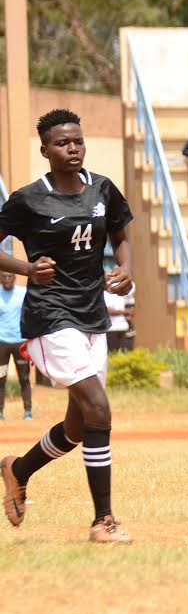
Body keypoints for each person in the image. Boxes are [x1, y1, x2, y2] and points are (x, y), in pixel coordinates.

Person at [0, 108, 135, 544]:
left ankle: (17, 470)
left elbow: (121, 234)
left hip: (92, 314)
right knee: (99, 408)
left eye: (77, 140)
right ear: (45, 150)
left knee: (79, 428)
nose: (72, 148)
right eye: (62, 143)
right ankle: (104, 522)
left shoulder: (102, 189)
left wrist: (126, 268)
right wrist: (25, 267)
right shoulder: (28, 199)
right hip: (49, 316)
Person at [0, 271, 32, 420]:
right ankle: (0, 412)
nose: (7, 279)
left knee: (24, 378)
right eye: (4, 276)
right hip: (2, 344)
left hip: (20, 343)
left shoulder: (23, 293)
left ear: (15, 277)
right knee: (1, 378)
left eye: (10, 276)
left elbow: (31, 313)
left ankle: (27, 411)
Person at [103, 281, 134, 353]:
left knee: (125, 352)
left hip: (124, 327)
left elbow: (130, 307)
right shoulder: (105, 294)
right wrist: (125, 312)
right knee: (112, 353)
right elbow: (107, 311)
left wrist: (129, 313)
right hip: (111, 329)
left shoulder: (122, 295)